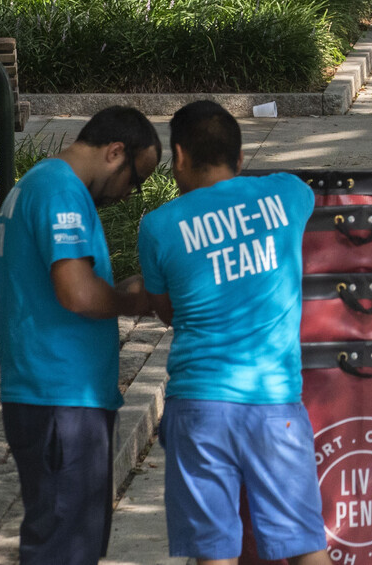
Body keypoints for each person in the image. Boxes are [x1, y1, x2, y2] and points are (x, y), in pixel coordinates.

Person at [137, 102, 327, 565]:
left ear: (178, 156)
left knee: (215, 553)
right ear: (240, 159)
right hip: (274, 404)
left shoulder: (158, 227)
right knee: (306, 546)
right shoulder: (287, 194)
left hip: (199, 407)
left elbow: (169, 313)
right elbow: (305, 191)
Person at [0, 106, 161, 565]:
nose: (131, 194)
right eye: (136, 179)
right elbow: (77, 293)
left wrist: (122, 289)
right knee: (67, 547)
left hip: (54, 394)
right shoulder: (59, 189)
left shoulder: (43, 184)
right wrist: (132, 302)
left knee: (65, 538)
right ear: (115, 152)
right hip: (60, 399)